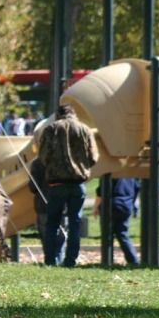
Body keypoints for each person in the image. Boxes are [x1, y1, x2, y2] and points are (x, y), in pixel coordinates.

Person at [39, 104, 98, 267]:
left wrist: (52, 166)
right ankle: (70, 260)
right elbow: (94, 156)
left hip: (57, 182)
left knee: (52, 223)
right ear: (74, 114)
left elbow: (43, 156)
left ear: (58, 115)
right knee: (75, 223)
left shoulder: (51, 129)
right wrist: (81, 166)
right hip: (77, 183)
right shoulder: (84, 129)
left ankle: (50, 260)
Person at [93, 178, 140, 265]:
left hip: (110, 205)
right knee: (123, 234)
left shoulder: (111, 172)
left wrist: (96, 207)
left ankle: (107, 260)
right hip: (126, 206)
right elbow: (136, 189)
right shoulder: (132, 175)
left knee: (107, 235)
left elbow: (101, 191)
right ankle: (133, 260)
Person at [28, 157, 64, 263]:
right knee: (61, 235)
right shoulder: (62, 160)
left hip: (43, 205)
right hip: (61, 203)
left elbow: (32, 187)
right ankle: (59, 259)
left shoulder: (37, 163)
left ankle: (50, 260)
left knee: (46, 235)